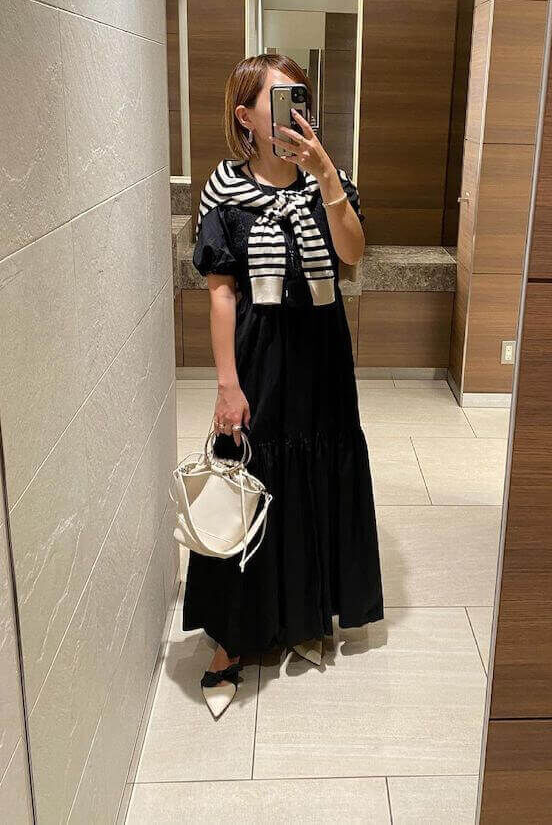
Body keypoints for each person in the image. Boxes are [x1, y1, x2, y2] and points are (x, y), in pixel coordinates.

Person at [182, 53, 385, 717]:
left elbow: (352, 253)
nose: (292, 111)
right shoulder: (224, 188)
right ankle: (230, 640)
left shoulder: (330, 178)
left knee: (317, 472)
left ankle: (303, 615)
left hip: (323, 352)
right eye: (276, 100)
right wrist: (226, 384)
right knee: (250, 475)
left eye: (297, 96)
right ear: (246, 116)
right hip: (259, 352)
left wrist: (324, 173)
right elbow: (220, 293)